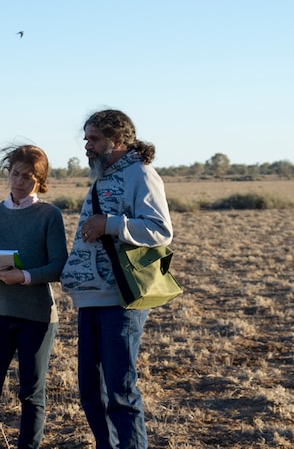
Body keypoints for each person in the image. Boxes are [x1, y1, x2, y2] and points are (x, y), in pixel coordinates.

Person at [60, 109, 173, 449]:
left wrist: (109, 224)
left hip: (121, 300)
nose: (87, 145)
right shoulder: (103, 177)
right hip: (90, 298)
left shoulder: (141, 174)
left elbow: (160, 230)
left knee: (120, 394)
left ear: (117, 139)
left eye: (93, 139)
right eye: (86, 138)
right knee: (92, 394)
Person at [0, 144, 68, 449]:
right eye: (15, 174)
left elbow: (59, 265)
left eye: (28, 177)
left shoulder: (50, 215)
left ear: (41, 181)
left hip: (37, 317)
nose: (19, 182)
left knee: (31, 394)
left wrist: (25, 276)